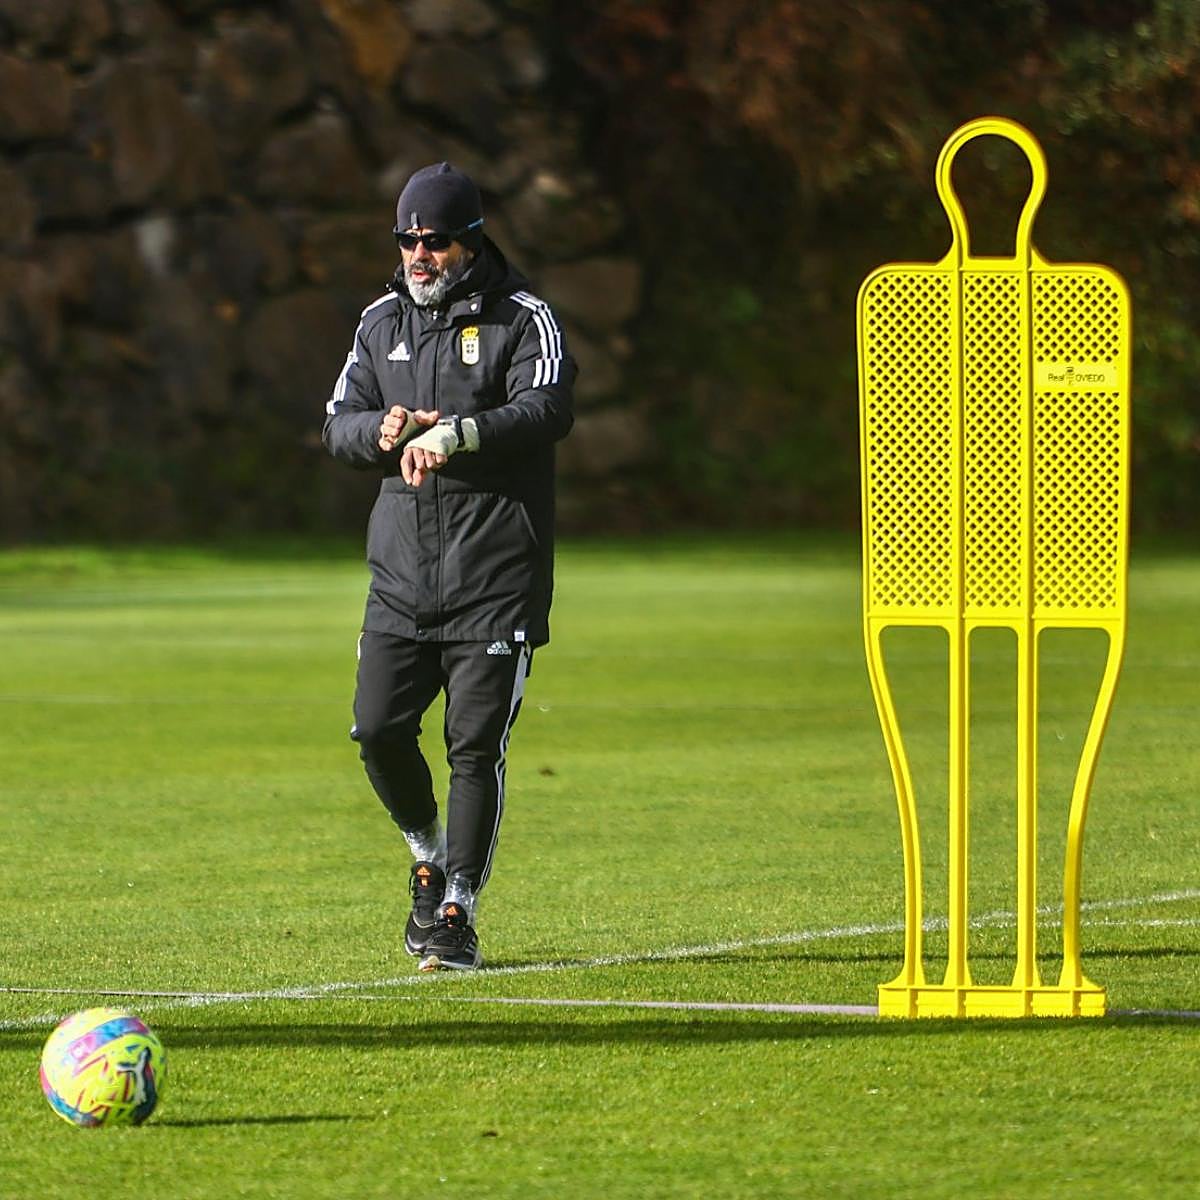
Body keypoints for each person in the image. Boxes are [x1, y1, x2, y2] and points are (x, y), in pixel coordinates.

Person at [322, 162, 576, 971]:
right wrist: (383, 430)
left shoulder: (522, 317)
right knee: (377, 730)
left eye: (434, 241)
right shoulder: (378, 323)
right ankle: (426, 857)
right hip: (400, 574)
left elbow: (548, 407)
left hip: (494, 574)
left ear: (469, 242)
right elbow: (337, 423)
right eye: (407, 240)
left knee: (473, 746)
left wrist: (458, 433)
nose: (418, 255)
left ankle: (457, 911)